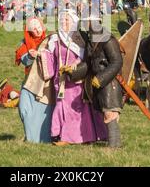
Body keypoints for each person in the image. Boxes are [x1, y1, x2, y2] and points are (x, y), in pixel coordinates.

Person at [41, 9, 106, 146]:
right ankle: (59, 134)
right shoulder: (55, 39)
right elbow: (51, 58)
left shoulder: (79, 38)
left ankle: (70, 137)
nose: (64, 22)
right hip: (61, 81)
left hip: (76, 80)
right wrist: (42, 53)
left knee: (75, 109)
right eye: (62, 19)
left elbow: (84, 58)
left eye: (67, 20)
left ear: (73, 21)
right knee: (61, 106)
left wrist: (74, 67)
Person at [69, 13, 124, 148]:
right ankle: (113, 144)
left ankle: (115, 146)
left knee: (110, 112)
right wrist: (73, 72)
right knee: (105, 112)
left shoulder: (108, 39)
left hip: (109, 82)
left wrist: (101, 78)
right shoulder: (91, 40)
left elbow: (117, 62)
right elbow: (89, 64)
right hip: (98, 82)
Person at [16, 17, 52, 143]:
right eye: (34, 29)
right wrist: (30, 56)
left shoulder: (50, 41)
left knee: (42, 113)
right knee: (24, 108)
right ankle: (30, 136)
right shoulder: (25, 42)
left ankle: (40, 139)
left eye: (39, 28)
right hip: (29, 81)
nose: (37, 31)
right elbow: (23, 61)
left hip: (44, 82)